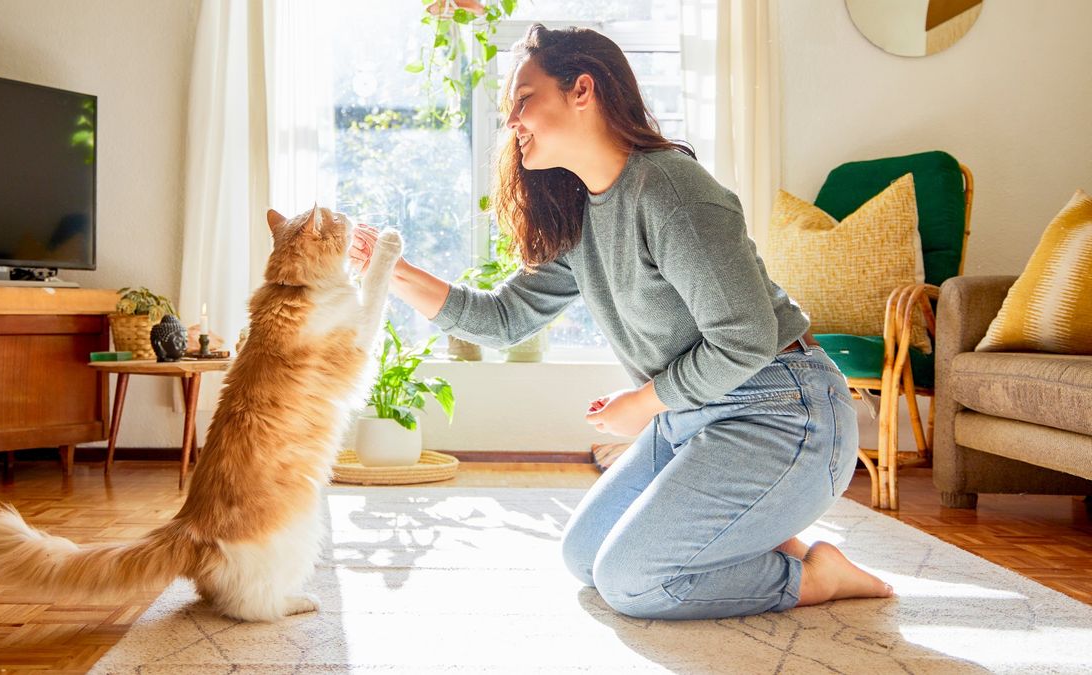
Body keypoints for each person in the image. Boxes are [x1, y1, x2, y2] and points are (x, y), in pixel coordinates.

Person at [348, 24, 892, 620]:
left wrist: (645, 401)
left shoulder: (672, 191)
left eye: (523, 101)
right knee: (585, 559)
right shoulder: (580, 214)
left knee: (634, 582)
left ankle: (817, 574)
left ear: (581, 90)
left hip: (785, 413)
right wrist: (390, 270)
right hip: (693, 420)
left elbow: (747, 339)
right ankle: (758, 530)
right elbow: (503, 320)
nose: (511, 123)